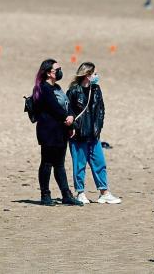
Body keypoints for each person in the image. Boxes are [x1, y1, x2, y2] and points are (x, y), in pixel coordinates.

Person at [66, 62, 121, 205]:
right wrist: (72, 127)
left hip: (94, 134)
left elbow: (101, 110)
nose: (97, 76)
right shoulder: (73, 91)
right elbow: (68, 111)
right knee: (79, 165)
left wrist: (98, 127)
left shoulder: (96, 89)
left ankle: (104, 193)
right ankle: (80, 193)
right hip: (78, 135)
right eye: (94, 73)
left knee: (99, 163)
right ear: (87, 75)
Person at [32, 59, 83, 206]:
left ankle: (66, 195)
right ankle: (45, 195)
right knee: (47, 163)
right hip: (48, 131)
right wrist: (65, 117)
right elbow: (53, 107)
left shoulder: (58, 87)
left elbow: (67, 105)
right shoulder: (43, 88)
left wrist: (71, 120)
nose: (60, 71)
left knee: (60, 164)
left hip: (61, 131)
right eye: (57, 69)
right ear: (48, 73)